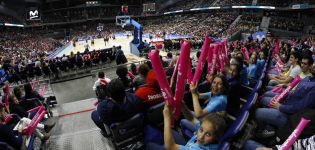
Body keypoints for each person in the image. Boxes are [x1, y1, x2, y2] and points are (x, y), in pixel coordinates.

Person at [146, 103, 227, 150]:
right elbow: (191, 118)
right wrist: (182, 106)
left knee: (149, 145)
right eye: (201, 130)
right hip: (187, 145)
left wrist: (167, 117)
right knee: (173, 132)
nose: (201, 137)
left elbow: (170, 146)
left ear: (216, 137)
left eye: (208, 134)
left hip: (185, 147)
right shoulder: (208, 128)